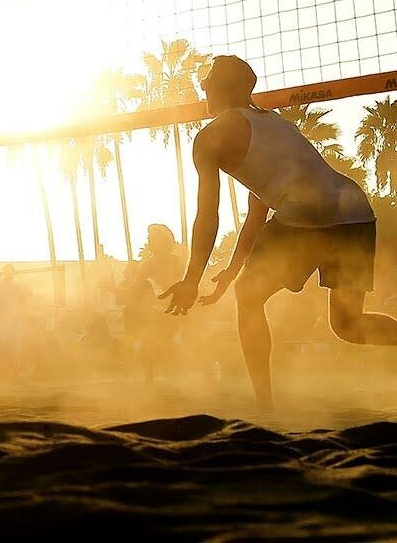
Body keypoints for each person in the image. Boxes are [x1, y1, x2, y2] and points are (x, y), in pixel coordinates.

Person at [161, 55, 397, 410]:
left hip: (307, 215)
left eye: (207, 79)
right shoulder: (277, 125)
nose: (203, 85)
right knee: (348, 325)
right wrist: (229, 274)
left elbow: (208, 215)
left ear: (218, 87)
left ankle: (265, 407)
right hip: (355, 212)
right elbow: (257, 217)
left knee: (249, 297)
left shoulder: (211, 137)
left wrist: (192, 278)